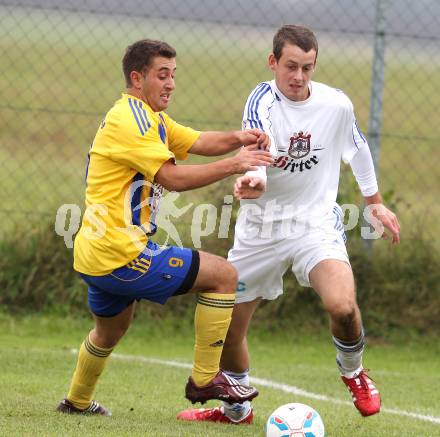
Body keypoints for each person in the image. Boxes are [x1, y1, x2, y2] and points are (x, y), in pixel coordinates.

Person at [177, 24, 400, 425]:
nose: (298, 78)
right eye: (291, 67)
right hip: (261, 230)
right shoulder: (262, 99)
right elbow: (261, 143)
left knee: (343, 306)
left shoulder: (336, 105)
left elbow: (358, 148)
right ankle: (237, 410)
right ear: (273, 62)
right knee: (228, 329)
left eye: (307, 68)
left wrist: (376, 204)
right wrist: (255, 181)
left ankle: (354, 372)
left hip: (315, 224)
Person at [56, 39, 275, 416]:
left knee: (109, 332)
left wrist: (240, 138)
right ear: (137, 78)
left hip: (94, 253)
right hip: (121, 253)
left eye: (174, 74)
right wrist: (236, 164)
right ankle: (205, 379)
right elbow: (171, 178)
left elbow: (197, 141)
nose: (171, 83)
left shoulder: (148, 116)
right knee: (224, 276)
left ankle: (76, 402)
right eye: (162, 75)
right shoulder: (132, 121)